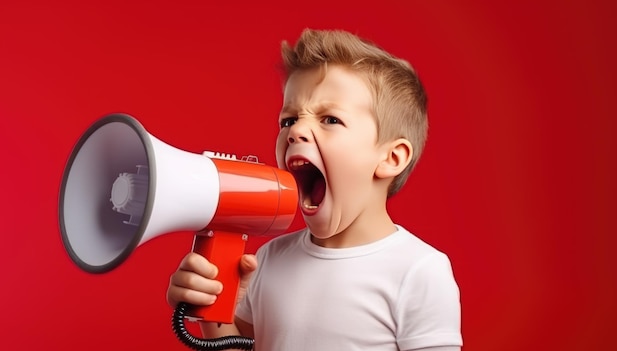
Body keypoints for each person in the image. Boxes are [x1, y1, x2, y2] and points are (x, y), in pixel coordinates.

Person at [166, 28, 462, 351]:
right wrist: (213, 311)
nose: (296, 132)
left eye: (330, 120)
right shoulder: (269, 260)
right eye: (288, 120)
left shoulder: (419, 272)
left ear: (391, 158)